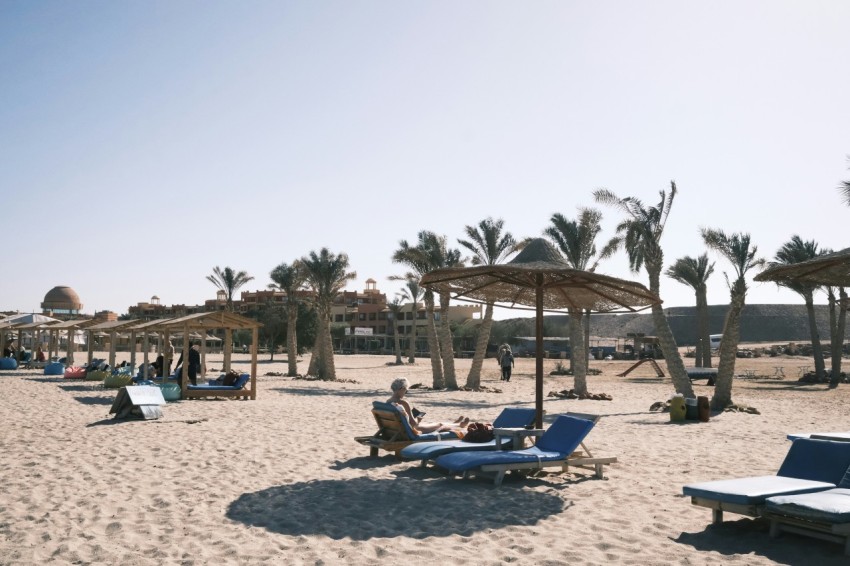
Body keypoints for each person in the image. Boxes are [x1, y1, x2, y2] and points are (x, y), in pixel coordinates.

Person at [387, 377, 468, 433]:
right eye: (406, 390)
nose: (405, 393)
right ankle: (459, 425)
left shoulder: (388, 402)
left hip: (397, 430)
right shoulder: (403, 403)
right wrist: (418, 419)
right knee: (440, 425)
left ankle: (454, 423)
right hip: (411, 430)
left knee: (432, 423)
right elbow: (413, 424)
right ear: (402, 389)